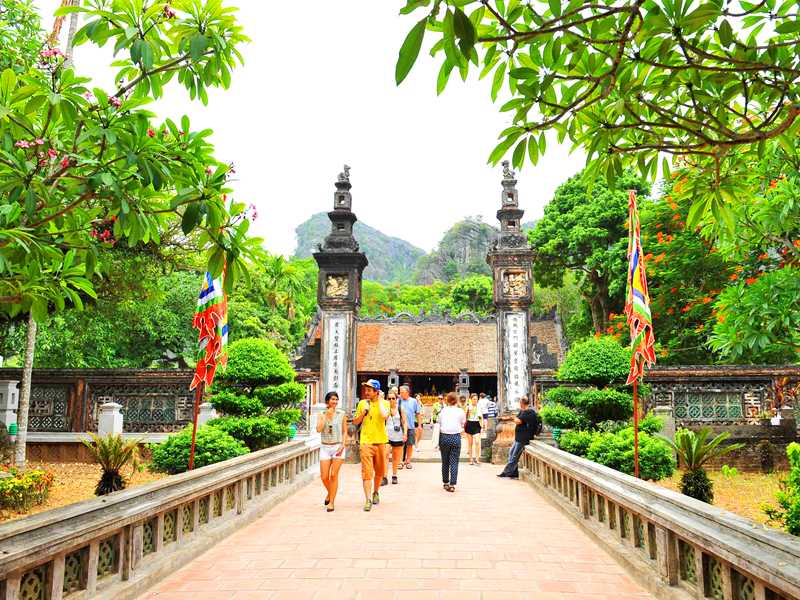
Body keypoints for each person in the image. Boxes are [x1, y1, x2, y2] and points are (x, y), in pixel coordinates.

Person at [353, 379, 390, 511]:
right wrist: (363, 413)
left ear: (376, 391)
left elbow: (385, 416)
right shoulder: (362, 403)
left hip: (380, 441)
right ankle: (367, 499)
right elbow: (355, 421)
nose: (366, 392)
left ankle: (376, 492)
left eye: (369, 390)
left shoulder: (385, 403)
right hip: (366, 442)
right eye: (366, 390)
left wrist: (379, 400)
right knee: (367, 473)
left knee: (379, 471)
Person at [316, 391, 347, 512]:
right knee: (324, 477)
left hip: (337, 447)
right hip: (325, 447)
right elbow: (318, 429)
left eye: (336, 399)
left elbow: (345, 431)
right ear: (327, 401)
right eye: (332, 399)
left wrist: (343, 445)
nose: (334, 402)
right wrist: (325, 417)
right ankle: (330, 492)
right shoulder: (321, 414)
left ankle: (332, 502)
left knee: (334, 475)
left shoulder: (342, 413)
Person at [497, 396, 539, 479]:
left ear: (522, 403)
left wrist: (513, 418)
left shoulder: (529, 412)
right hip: (518, 437)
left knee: (514, 456)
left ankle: (506, 472)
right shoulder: (522, 411)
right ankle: (514, 472)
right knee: (511, 453)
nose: (519, 404)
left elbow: (518, 421)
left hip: (524, 438)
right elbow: (517, 419)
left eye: (520, 402)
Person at [438, 392, 466, 492]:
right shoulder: (460, 411)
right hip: (455, 437)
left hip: (444, 437)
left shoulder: (443, 411)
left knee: (445, 461)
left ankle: (445, 482)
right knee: (454, 461)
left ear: (447, 400)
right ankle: (452, 484)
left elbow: (439, 422)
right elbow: (463, 422)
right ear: (456, 400)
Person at [384, 390, 408, 485]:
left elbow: (404, 422)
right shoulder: (385, 409)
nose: (391, 400)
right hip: (386, 435)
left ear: (396, 399)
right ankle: (384, 476)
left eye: (393, 398)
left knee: (395, 457)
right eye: (389, 398)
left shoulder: (400, 408)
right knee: (385, 455)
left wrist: (405, 434)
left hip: (398, 435)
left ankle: (394, 475)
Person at [398, 385, 421, 469]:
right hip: (400, 427)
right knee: (400, 445)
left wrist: (419, 425)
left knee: (410, 444)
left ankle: (408, 461)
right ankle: (400, 461)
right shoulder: (398, 401)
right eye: (400, 392)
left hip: (410, 426)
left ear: (407, 392)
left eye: (402, 392)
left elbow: (418, 413)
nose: (400, 394)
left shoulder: (414, 401)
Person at [464, 393, 482, 466]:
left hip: (477, 424)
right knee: (470, 443)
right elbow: (465, 417)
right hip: (469, 424)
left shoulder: (479, 407)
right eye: (474, 399)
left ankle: (477, 458)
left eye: (476, 399)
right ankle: (471, 459)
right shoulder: (468, 407)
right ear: (471, 400)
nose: (475, 400)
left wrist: (482, 425)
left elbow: (481, 416)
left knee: (477, 441)